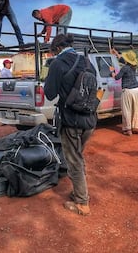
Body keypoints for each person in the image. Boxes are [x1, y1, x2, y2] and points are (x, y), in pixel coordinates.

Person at [44, 34, 96, 216]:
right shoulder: (87, 62)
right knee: (77, 156)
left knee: (74, 159)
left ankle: (82, 202)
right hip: (89, 120)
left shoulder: (58, 64)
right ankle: (78, 192)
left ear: (57, 49)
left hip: (71, 120)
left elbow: (49, 94)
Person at [110, 49, 138, 136]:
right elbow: (122, 59)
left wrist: (112, 71)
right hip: (136, 91)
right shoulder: (133, 66)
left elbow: (116, 77)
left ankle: (128, 129)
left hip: (127, 91)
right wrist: (116, 53)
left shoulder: (124, 68)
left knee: (127, 110)